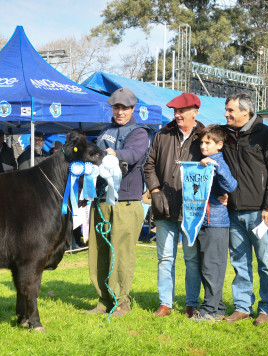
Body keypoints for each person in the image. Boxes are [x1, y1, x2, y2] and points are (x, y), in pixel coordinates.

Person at [221, 92, 268, 326]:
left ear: (245, 112)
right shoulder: (224, 135)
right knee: (239, 263)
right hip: (233, 211)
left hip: (261, 213)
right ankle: (242, 307)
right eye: (226, 109)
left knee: (266, 263)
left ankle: (266, 310)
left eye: (230, 110)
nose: (226, 113)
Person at [86, 88, 150, 317]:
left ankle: (121, 301)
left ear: (132, 109)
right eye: (116, 107)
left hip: (126, 201)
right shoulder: (105, 131)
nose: (120, 112)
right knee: (99, 251)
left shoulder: (139, 132)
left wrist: (114, 154)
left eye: (124, 108)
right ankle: (104, 301)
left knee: (121, 253)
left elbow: (133, 155)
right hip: (101, 199)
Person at [143, 92, 205, 318]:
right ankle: (165, 303)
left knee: (191, 258)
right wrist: (155, 190)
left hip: (192, 208)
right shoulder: (162, 134)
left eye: (181, 111)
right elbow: (148, 165)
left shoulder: (204, 136)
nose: (177, 115)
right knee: (165, 258)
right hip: (164, 206)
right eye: (175, 111)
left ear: (195, 112)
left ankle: (191, 303)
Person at [191, 125, 238, 321]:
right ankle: (218, 308)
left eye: (207, 142)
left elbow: (231, 185)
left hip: (216, 221)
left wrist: (216, 167)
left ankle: (208, 310)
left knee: (212, 267)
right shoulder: (203, 162)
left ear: (219, 145)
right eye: (201, 142)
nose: (203, 146)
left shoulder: (218, 161)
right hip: (204, 220)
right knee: (206, 266)